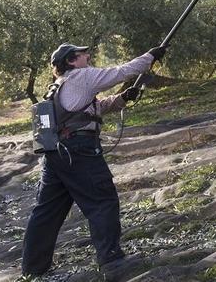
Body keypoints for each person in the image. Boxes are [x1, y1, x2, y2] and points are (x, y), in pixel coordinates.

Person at [21, 42, 167, 277]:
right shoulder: (81, 76)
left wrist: (122, 98)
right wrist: (150, 56)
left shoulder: (60, 85)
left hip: (55, 155)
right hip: (79, 152)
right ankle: (112, 262)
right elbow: (122, 71)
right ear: (71, 61)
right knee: (102, 202)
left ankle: (33, 269)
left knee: (46, 212)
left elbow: (89, 109)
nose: (87, 55)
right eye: (82, 54)